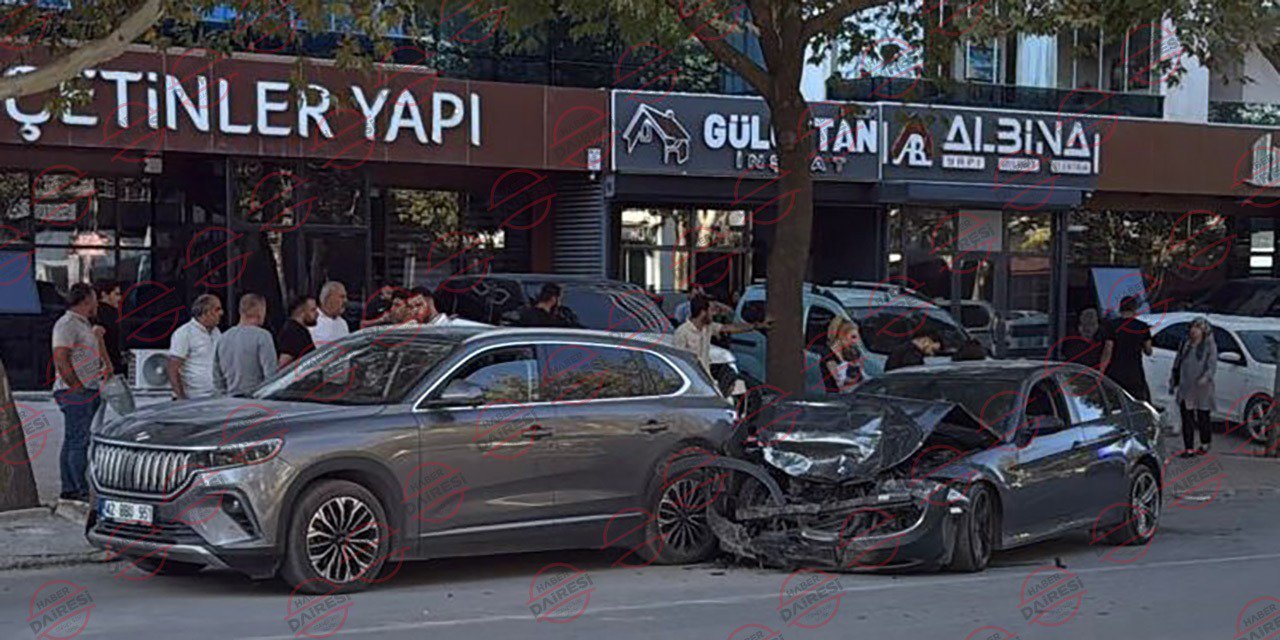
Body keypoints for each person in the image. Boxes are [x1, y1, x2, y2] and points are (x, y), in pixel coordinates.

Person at [51, 283, 104, 502]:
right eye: (94, 299)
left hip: (87, 387)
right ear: (86, 301)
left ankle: (70, 487)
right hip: (76, 391)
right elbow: (61, 357)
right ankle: (79, 489)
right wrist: (76, 386)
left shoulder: (84, 325)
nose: (97, 303)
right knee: (79, 442)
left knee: (73, 439)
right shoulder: (67, 324)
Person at [674, 295, 769, 374]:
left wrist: (756, 326)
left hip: (706, 377)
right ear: (703, 312)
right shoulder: (682, 332)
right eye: (711, 311)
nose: (714, 314)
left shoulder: (708, 327)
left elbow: (729, 328)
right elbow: (678, 361)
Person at [214, 294, 278, 397]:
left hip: (230, 399)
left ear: (241, 311)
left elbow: (217, 377)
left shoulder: (223, 338)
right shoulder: (263, 336)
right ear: (261, 311)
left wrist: (224, 396)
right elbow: (271, 375)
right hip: (256, 400)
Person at [1171, 317, 1218, 456]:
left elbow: (1212, 365)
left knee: (1203, 416)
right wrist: (1173, 379)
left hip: (1202, 387)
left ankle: (1205, 443)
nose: (1194, 331)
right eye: (1193, 327)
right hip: (1186, 386)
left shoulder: (1209, 345)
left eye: (1198, 328)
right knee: (1187, 417)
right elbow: (1178, 362)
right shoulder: (1185, 344)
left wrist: (1205, 377)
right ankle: (1189, 448)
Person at [167, 294, 223, 400]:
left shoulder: (217, 332)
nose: (221, 313)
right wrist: (181, 399)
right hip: (193, 398)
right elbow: (173, 368)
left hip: (216, 396)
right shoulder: (184, 333)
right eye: (217, 309)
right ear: (205, 312)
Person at [1099, 295, 1153, 402]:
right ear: (1135, 309)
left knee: (1115, 402)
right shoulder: (1142, 326)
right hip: (1135, 373)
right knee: (1137, 402)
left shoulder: (1112, 325)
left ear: (1120, 308)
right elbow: (1148, 351)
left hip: (1115, 372)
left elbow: (1108, 350)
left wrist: (1101, 371)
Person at [812, 316, 863, 393]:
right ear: (841, 336)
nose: (855, 341)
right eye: (853, 337)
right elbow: (839, 382)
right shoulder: (828, 356)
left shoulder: (849, 353)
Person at [92, 280, 124, 375]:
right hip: (109, 366)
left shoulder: (92, 313)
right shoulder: (108, 314)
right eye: (116, 294)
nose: (120, 298)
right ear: (104, 294)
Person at [277, 295, 318, 368]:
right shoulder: (292, 333)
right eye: (312, 310)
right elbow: (283, 364)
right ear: (301, 312)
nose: (317, 314)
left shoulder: (300, 331)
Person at [311, 281, 350, 346]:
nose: (345, 301)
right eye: (342, 297)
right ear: (328, 299)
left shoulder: (343, 323)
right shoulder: (311, 322)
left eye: (345, 297)